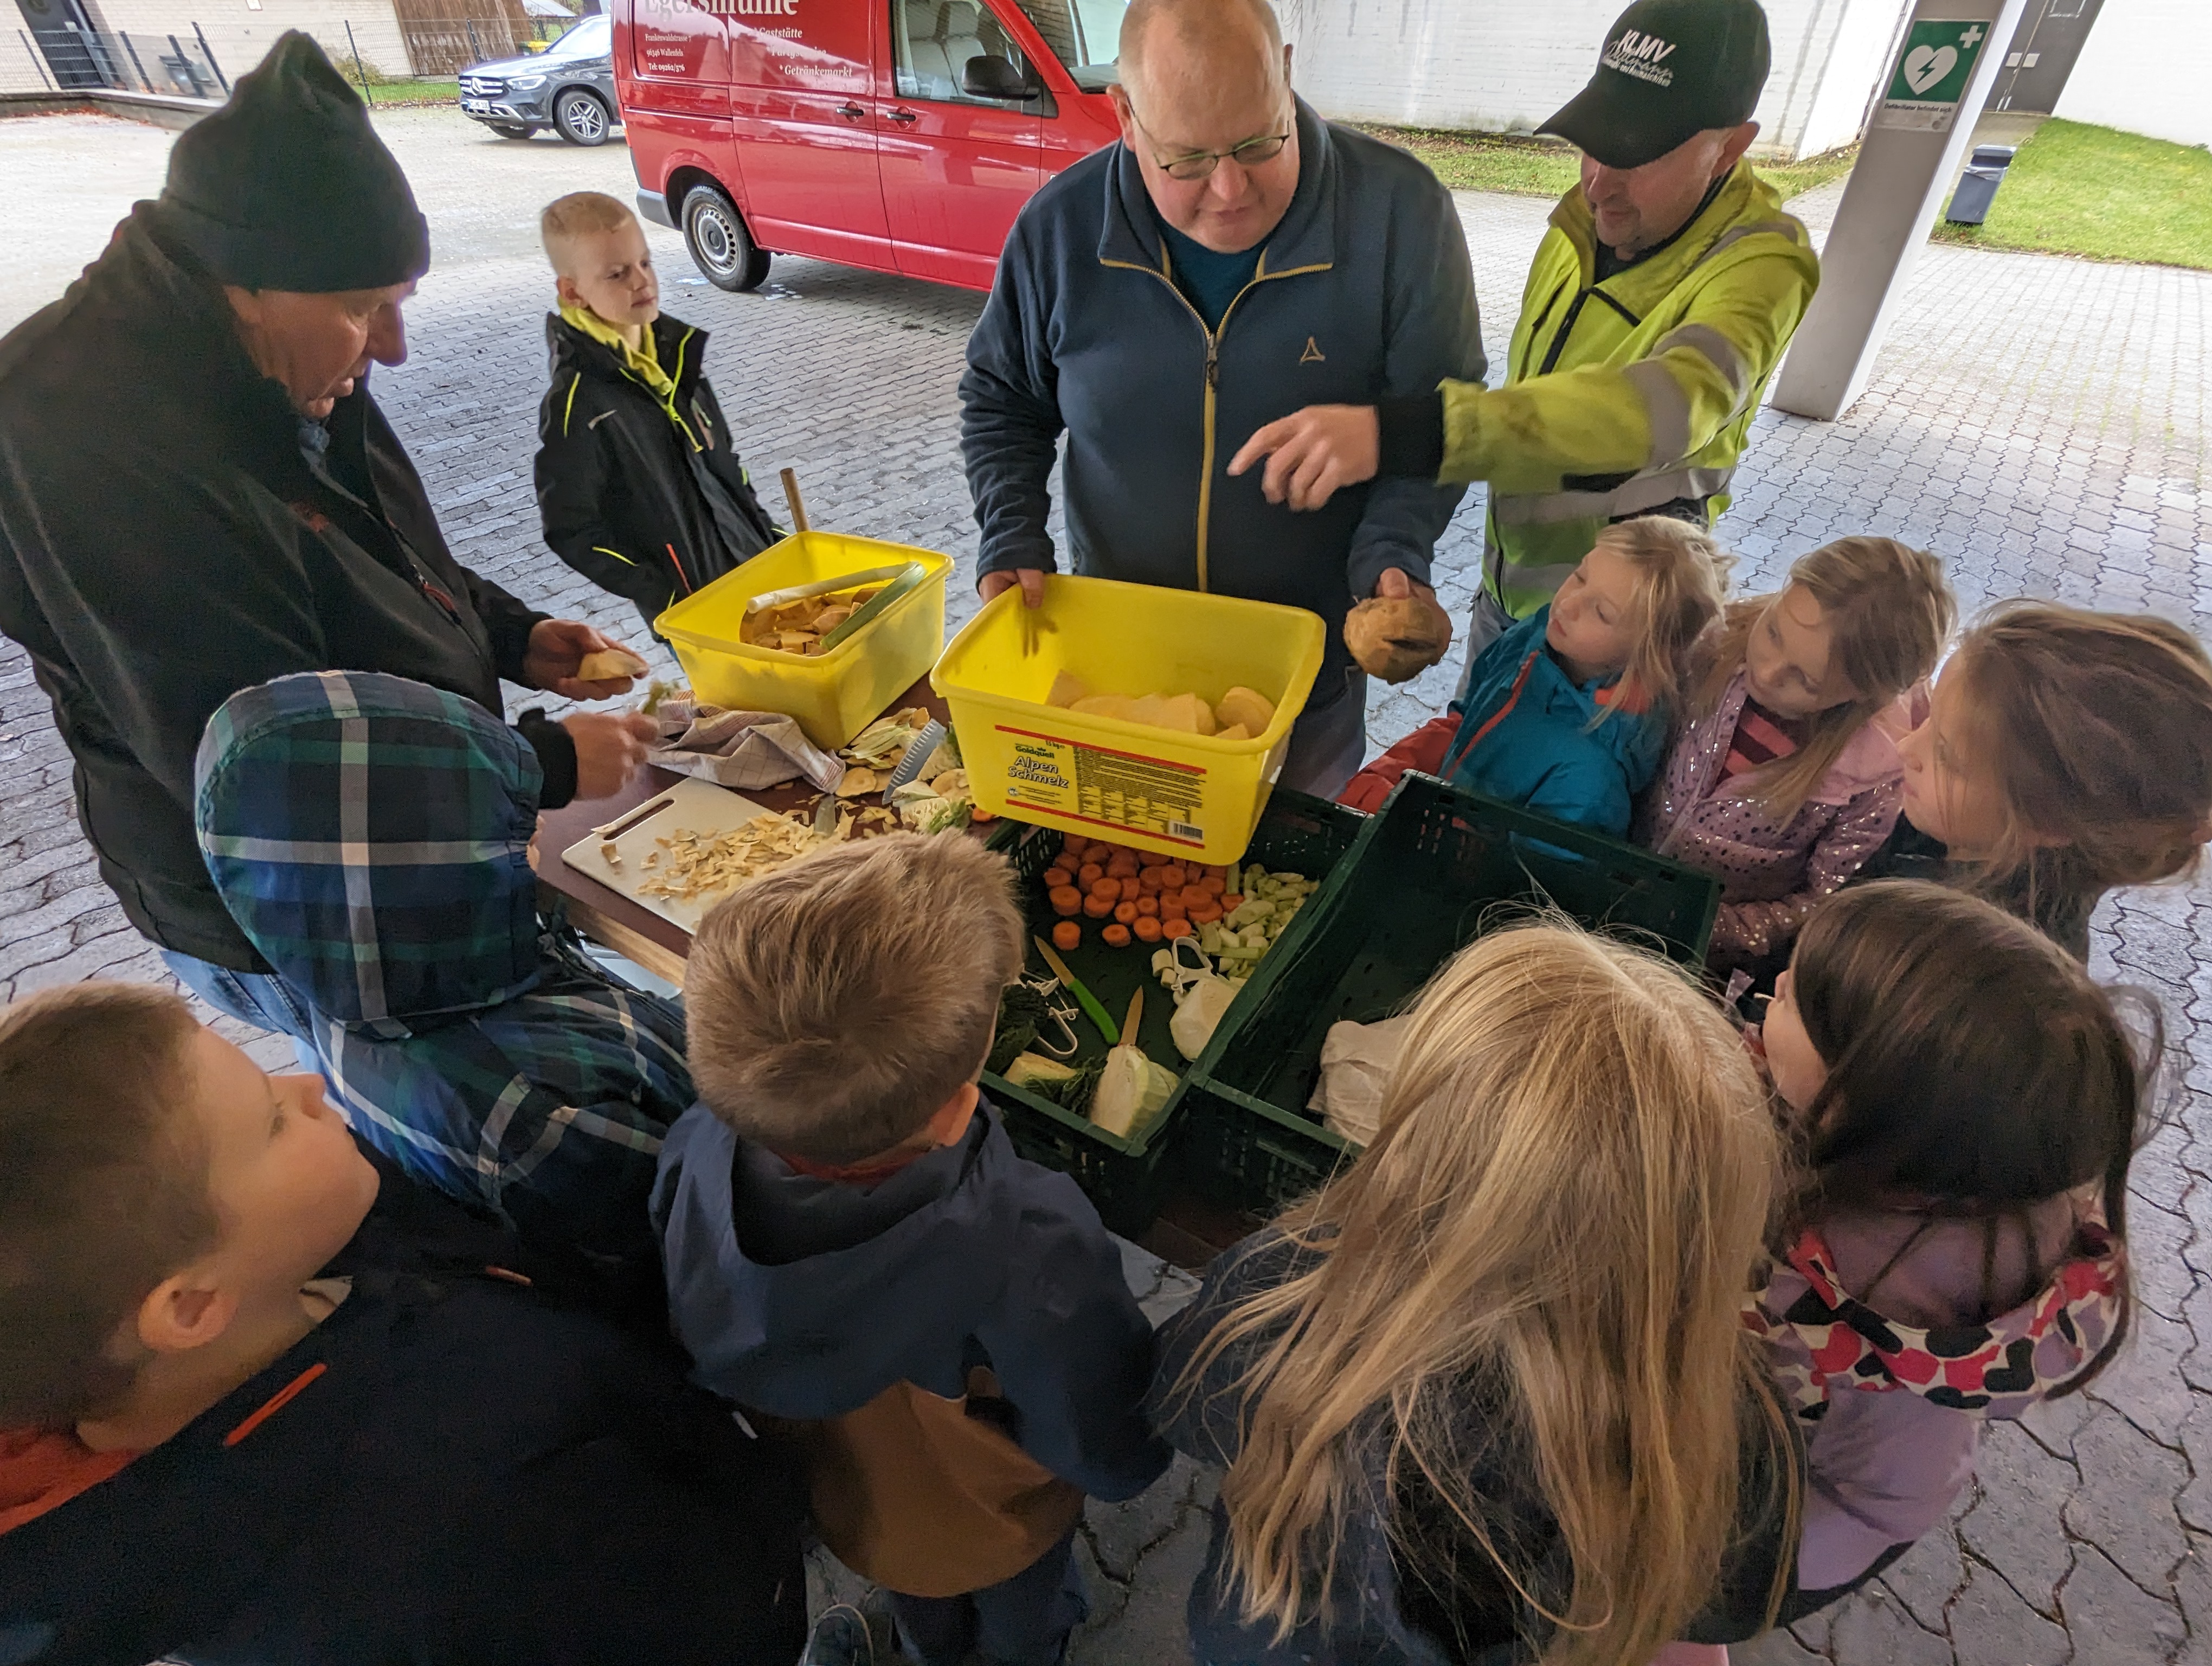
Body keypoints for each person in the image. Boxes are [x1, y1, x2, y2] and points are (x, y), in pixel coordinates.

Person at [0, 34, 656, 1039]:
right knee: (424, 1114)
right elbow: (268, 762)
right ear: (248, 281)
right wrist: (541, 767)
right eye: (365, 310)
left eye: (396, 304)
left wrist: (506, 633)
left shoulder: (292, 350)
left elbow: (377, 549)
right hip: (286, 904)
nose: (391, 346)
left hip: (425, 828)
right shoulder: (78, 433)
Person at [0, 981, 810, 1665]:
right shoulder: (459, 1516)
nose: (306, 1086)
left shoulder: (297, 1257)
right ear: (190, 1308)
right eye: (272, 1122)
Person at [1150, 922, 1798, 1664]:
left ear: (1414, 1152)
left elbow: (1183, 1410)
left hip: (1271, 1633)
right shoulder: (1738, 1430)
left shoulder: (1278, 1294)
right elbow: (1728, 1602)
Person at [652, 834, 1170, 1666]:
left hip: (851, 1501)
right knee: (1019, 1619)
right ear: (957, 1110)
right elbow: (1095, 1421)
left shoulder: (695, 1144)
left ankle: (928, 1649)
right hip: (993, 1519)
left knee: (921, 1602)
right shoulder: (1032, 1243)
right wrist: (1129, 1463)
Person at [959, 0, 1486, 797]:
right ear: (1126, 117)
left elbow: (1438, 419)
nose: (1232, 189)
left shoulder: (1401, 214)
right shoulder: (1058, 229)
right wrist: (1011, 532)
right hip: (1120, 670)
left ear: (1286, 68)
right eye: (1189, 161)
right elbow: (1003, 398)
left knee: (1280, 900)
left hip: (1304, 690)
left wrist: (1395, 553)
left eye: (1256, 142)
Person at [1230, 0, 1819, 666]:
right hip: (1508, 605)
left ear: (1730, 148)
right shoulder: (1578, 226)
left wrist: (1408, 432)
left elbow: (1669, 408)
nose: (1600, 185)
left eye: (1641, 156)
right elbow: (1532, 407)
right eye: (1595, 143)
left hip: (1616, 644)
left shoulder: (1764, 264)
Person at [195, 671, 692, 1299]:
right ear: (432, 879)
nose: (534, 823)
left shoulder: (361, 980)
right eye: (503, 822)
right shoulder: (535, 1113)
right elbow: (716, 1219)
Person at [1745, 881, 2141, 1614]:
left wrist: (1722, 1573)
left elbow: (1879, 1503)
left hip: (1768, 1522)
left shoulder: (1914, 1334)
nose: (1775, 987)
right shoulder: (1893, 1152)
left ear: (1865, 1100)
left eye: (1799, 998)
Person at [1641, 537, 1954, 975]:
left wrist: (1712, 925)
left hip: (1703, 955)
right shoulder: (1717, 641)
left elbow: (1824, 901)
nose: (1767, 672)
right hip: (1623, 877)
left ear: (1868, 696)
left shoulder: (1868, 779)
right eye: (1773, 633)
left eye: (1806, 682)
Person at [1866, 601, 2212, 960]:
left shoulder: (1979, 965)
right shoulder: (1958, 825)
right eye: (1930, 717)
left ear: (2047, 822)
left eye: (1946, 756)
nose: (1905, 746)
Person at [1340, 515, 1726, 835]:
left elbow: (1520, 874)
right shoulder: (1538, 636)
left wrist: (1408, 822)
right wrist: (1398, 770)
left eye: (1603, 612)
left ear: (1650, 652)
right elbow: (1468, 718)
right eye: (1580, 576)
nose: (1568, 604)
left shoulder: (1590, 780)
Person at [533, 191, 780, 643]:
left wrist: (768, 536)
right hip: (692, 613)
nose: (641, 281)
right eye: (617, 273)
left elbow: (722, 459)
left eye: (645, 263)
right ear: (573, 292)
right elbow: (571, 528)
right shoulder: (578, 402)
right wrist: (665, 595)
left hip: (755, 574)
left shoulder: (676, 355)